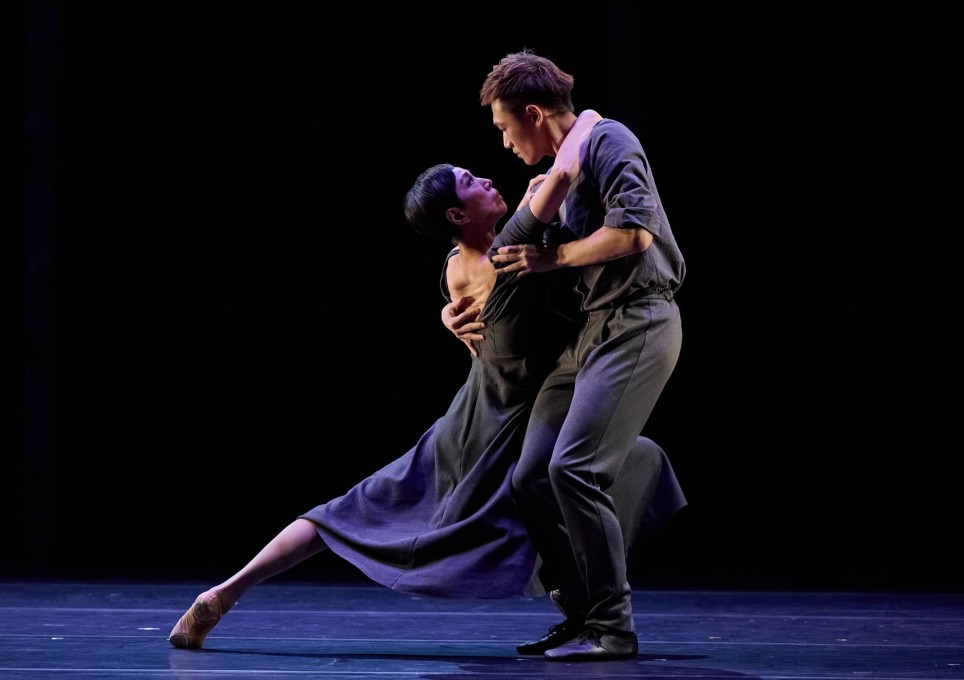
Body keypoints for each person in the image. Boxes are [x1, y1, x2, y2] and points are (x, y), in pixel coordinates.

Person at [167, 116, 687, 652]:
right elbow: (565, 171)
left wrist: (451, 310)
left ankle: (225, 592)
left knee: (359, 510)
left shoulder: (458, 265)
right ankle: (590, 611)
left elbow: (501, 290)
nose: (487, 177)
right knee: (559, 482)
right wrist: (586, 120)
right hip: (499, 422)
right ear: (458, 214)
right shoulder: (514, 244)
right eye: (471, 181)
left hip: (486, 412)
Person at [444, 50, 685, 661]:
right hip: (590, 331)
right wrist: (450, 307)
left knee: (573, 470)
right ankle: (581, 613)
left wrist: (552, 256)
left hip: (638, 320)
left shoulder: (608, 141)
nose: (504, 143)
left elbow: (634, 232)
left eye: (505, 128)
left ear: (532, 113)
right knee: (530, 476)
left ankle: (613, 628)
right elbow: (504, 261)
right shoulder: (559, 171)